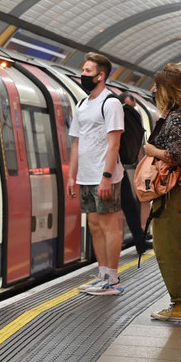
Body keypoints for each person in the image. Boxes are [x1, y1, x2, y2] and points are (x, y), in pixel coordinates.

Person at [145, 64, 181, 322]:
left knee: (167, 249)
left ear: (166, 89)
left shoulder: (176, 117)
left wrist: (152, 151)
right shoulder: (178, 116)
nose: (153, 90)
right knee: (174, 247)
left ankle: (180, 305)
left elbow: (178, 155)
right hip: (178, 191)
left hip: (173, 191)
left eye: (157, 85)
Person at [67, 52, 125, 296]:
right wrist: (72, 175)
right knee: (93, 224)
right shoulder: (82, 104)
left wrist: (107, 176)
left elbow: (114, 144)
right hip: (86, 175)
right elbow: (77, 143)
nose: (83, 75)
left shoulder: (110, 103)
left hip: (105, 175)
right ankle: (102, 274)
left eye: (88, 71)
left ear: (101, 76)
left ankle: (112, 278)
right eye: (83, 70)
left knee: (109, 225)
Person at [118, 92, 151, 255]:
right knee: (127, 205)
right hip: (114, 169)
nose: (131, 111)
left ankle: (139, 239)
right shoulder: (120, 118)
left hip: (120, 168)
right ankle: (139, 240)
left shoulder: (130, 121)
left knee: (130, 205)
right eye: (128, 107)